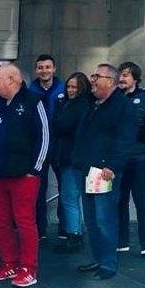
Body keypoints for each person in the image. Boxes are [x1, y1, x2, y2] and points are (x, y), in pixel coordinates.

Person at [0, 64, 49, 288]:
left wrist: (34, 170)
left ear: (12, 80)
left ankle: (29, 267)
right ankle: (9, 262)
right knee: (0, 221)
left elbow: (45, 137)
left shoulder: (33, 101)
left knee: (24, 221)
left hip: (23, 176)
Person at [73, 63, 136, 280]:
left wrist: (112, 165)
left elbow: (125, 139)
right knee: (91, 218)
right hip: (87, 169)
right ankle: (98, 258)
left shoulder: (122, 106)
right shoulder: (94, 103)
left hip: (103, 171)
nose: (92, 80)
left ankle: (108, 263)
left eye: (96, 76)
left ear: (110, 81)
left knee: (104, 218)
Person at [117, 61, 145, 257]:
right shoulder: (114, 100)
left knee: (143, 202)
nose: (122, 78)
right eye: (120, 75)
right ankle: (122, 241)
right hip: (119, 160)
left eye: (126, 75)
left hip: (141, 159)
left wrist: (133, 134)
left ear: (135, 78)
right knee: (120, 201)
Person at [51, 72, 92, 254]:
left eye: (74, 87)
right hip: (72, 157)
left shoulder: (77, 107)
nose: (70, 90)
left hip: (72, 158)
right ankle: (75, 232)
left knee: (69, 197)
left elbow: (61, 125)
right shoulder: (81, 105)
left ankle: (74, 234)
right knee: (71, 197)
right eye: (69, 86)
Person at [28, 54, 66, 239]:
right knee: (38, 189)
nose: (44, 71)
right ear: (36, 70)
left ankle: (64, 228)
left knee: (64, 187)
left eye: (48, 67)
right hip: (39, 146)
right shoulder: (30, 90)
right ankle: (39, 229)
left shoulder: (64, 89)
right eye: (41, 67)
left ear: (54, 69)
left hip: (59, 145)